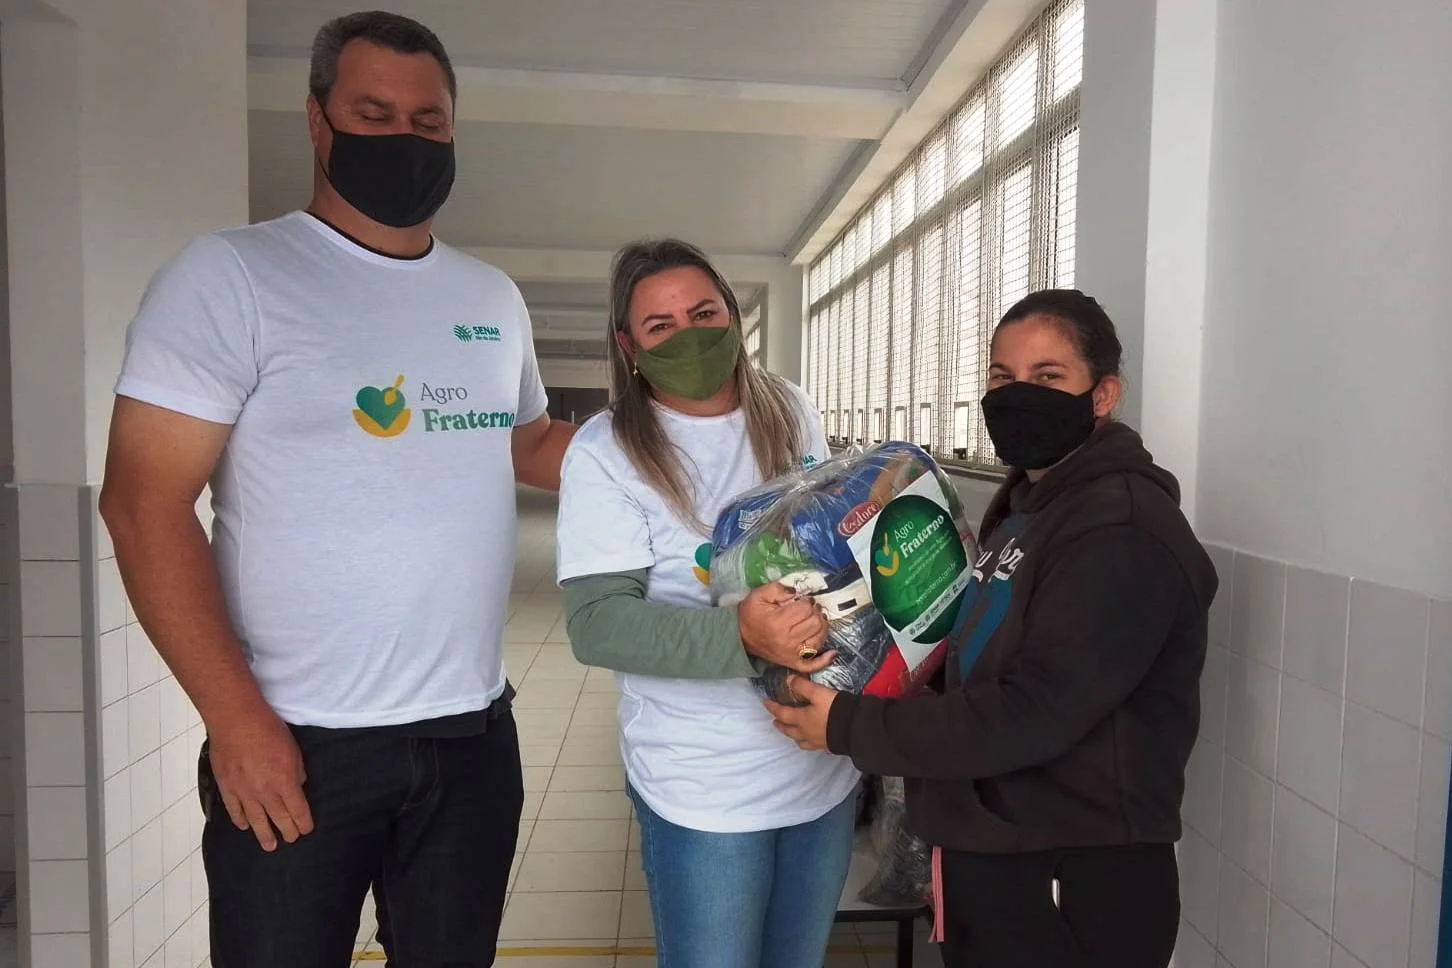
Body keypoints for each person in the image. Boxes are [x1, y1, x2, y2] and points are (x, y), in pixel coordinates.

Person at [98, 11, 575, 967]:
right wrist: (235, 720)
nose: (407, 137)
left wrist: (693, 449)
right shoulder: (232, 276)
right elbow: (142, 503)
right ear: (318, 121)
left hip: (472, 736)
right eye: (374, 113)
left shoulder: (490, 296)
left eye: (429, 120)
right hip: (298, 741)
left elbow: (527, 444)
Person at [768, 289, 1218, 968]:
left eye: (1048, 376)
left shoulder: (1119, 531)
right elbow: (983, 659)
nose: (1017, 395)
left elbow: (1032, 712)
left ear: (1103, 395)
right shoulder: (1034, 507)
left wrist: (849, 725)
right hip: (1005, 856)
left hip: (1073, 878)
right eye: (1003, 377)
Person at [555, 239, 861, 968]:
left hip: (820, 767)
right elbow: (596, 625)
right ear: (628, 346)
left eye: (704, 313)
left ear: (732, 314)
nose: (688, 335)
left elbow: (823, 545)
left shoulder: (788, 407)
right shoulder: (606, 450)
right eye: (660, 326)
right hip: (704, 785)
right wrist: (743, 637)